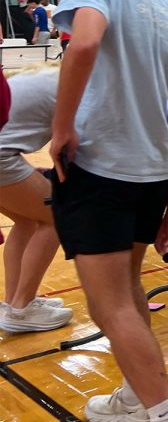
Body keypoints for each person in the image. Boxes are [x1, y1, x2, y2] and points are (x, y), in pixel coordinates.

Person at [47, 0, 168, 422]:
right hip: (155, 173)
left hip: (101, 167)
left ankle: (162, 413)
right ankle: (136, 399)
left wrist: (62, 125)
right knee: (128, 291)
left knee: (108, 306)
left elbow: (83, 42)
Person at [0, 63, 73, 333]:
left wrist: (31, 175)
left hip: (4, 157)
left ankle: (13, 303)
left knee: (28, 222)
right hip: (2, 159)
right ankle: (22, 307)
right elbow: (74, 146)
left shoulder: (49, 74)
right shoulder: (74, 85)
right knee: (56, 215)